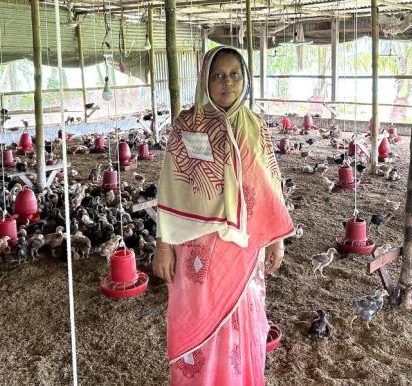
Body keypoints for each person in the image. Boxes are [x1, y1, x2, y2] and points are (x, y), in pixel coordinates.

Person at [153, 46, 294, 385]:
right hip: (196, 248)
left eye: (234, 75)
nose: (226, 82)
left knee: (243, 322)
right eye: (218, 75)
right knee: (198, 321)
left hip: (243, 247)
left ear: (244, 80)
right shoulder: (188, 125)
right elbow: (171, 186)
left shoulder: (255, 126)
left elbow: (269, 183)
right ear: (205, 80)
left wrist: (277, 241)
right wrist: (163, 244)